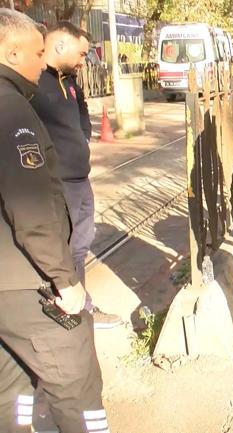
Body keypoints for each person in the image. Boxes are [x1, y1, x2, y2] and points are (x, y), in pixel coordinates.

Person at [0, 9, 109, 433]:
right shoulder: (11, 110)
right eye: (37, 52)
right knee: (77, 386)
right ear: (12, 53)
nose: (40, 61)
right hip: (29, 282)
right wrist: (65, 280)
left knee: (13, 389)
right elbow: (29, 208)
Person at [30, 21, 122, 328]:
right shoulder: (32, 83)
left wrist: (83, 136)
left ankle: (81, 307)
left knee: (80, 247)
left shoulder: (69, 81)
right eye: (81, 54)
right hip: (56, 185)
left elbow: (81, 111)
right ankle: (71, 310)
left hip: (80, 181)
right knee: (64, 251)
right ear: (60, 46)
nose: (84, 61)